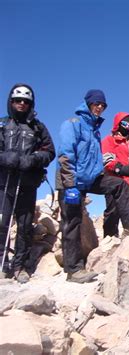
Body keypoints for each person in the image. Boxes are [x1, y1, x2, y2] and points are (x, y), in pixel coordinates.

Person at [56, 90, 129, 283]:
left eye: (103, 105)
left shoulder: (94, 129)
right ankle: (74, 270)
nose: (100, 107)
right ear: (88, 104)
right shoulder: (73, 124)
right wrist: (69, 184)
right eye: (96, 104)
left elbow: (95, 160)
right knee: (72, 221)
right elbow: (65, 154)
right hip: (70, 180)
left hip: (90, 178)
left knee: (118, 184)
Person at [0, 84, 55, 283]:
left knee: (24, 226)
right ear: (11, 102)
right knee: (1, 223)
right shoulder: (2, 124)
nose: (21, 104)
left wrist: (32, 160)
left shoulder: (38, 127)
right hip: (4, 183)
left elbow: (49, 151)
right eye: (17, 100)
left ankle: (19, 266)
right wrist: (6, 158)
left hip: (27, 183)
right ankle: (2, 264)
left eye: (26, 101)